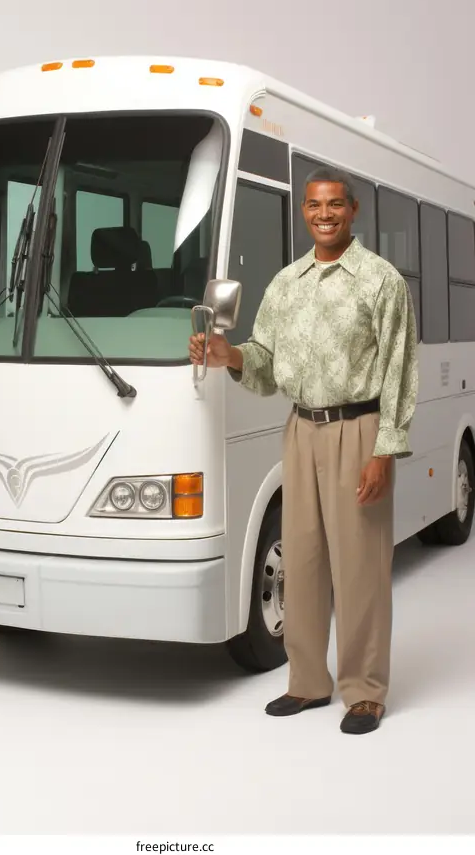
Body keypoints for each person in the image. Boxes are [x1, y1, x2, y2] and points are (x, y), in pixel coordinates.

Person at [189, 167, 418, 735]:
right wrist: (228, 355)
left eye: (335, 205)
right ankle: (308, 682)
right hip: (300, 430)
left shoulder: (380, 281)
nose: (324, 214)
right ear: (304, 212)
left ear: (353, 211)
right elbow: (265, 364)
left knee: (360, 565)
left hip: (358, 430)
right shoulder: (285, 284)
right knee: (304, 560)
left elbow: (399, 371)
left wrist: (384, 451)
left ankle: (364, 691)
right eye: (315, 205)